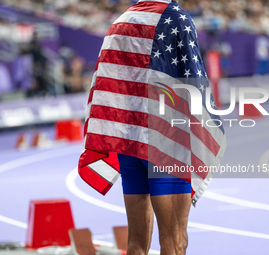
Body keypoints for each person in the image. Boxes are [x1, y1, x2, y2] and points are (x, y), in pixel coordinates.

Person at [78, 0, 226, 254]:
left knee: (135, 242)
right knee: (174, 240)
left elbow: (104, 83)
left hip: (128, 140)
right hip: (165, 141)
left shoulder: (120, 21)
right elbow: (193, 80)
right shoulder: (177, 17)